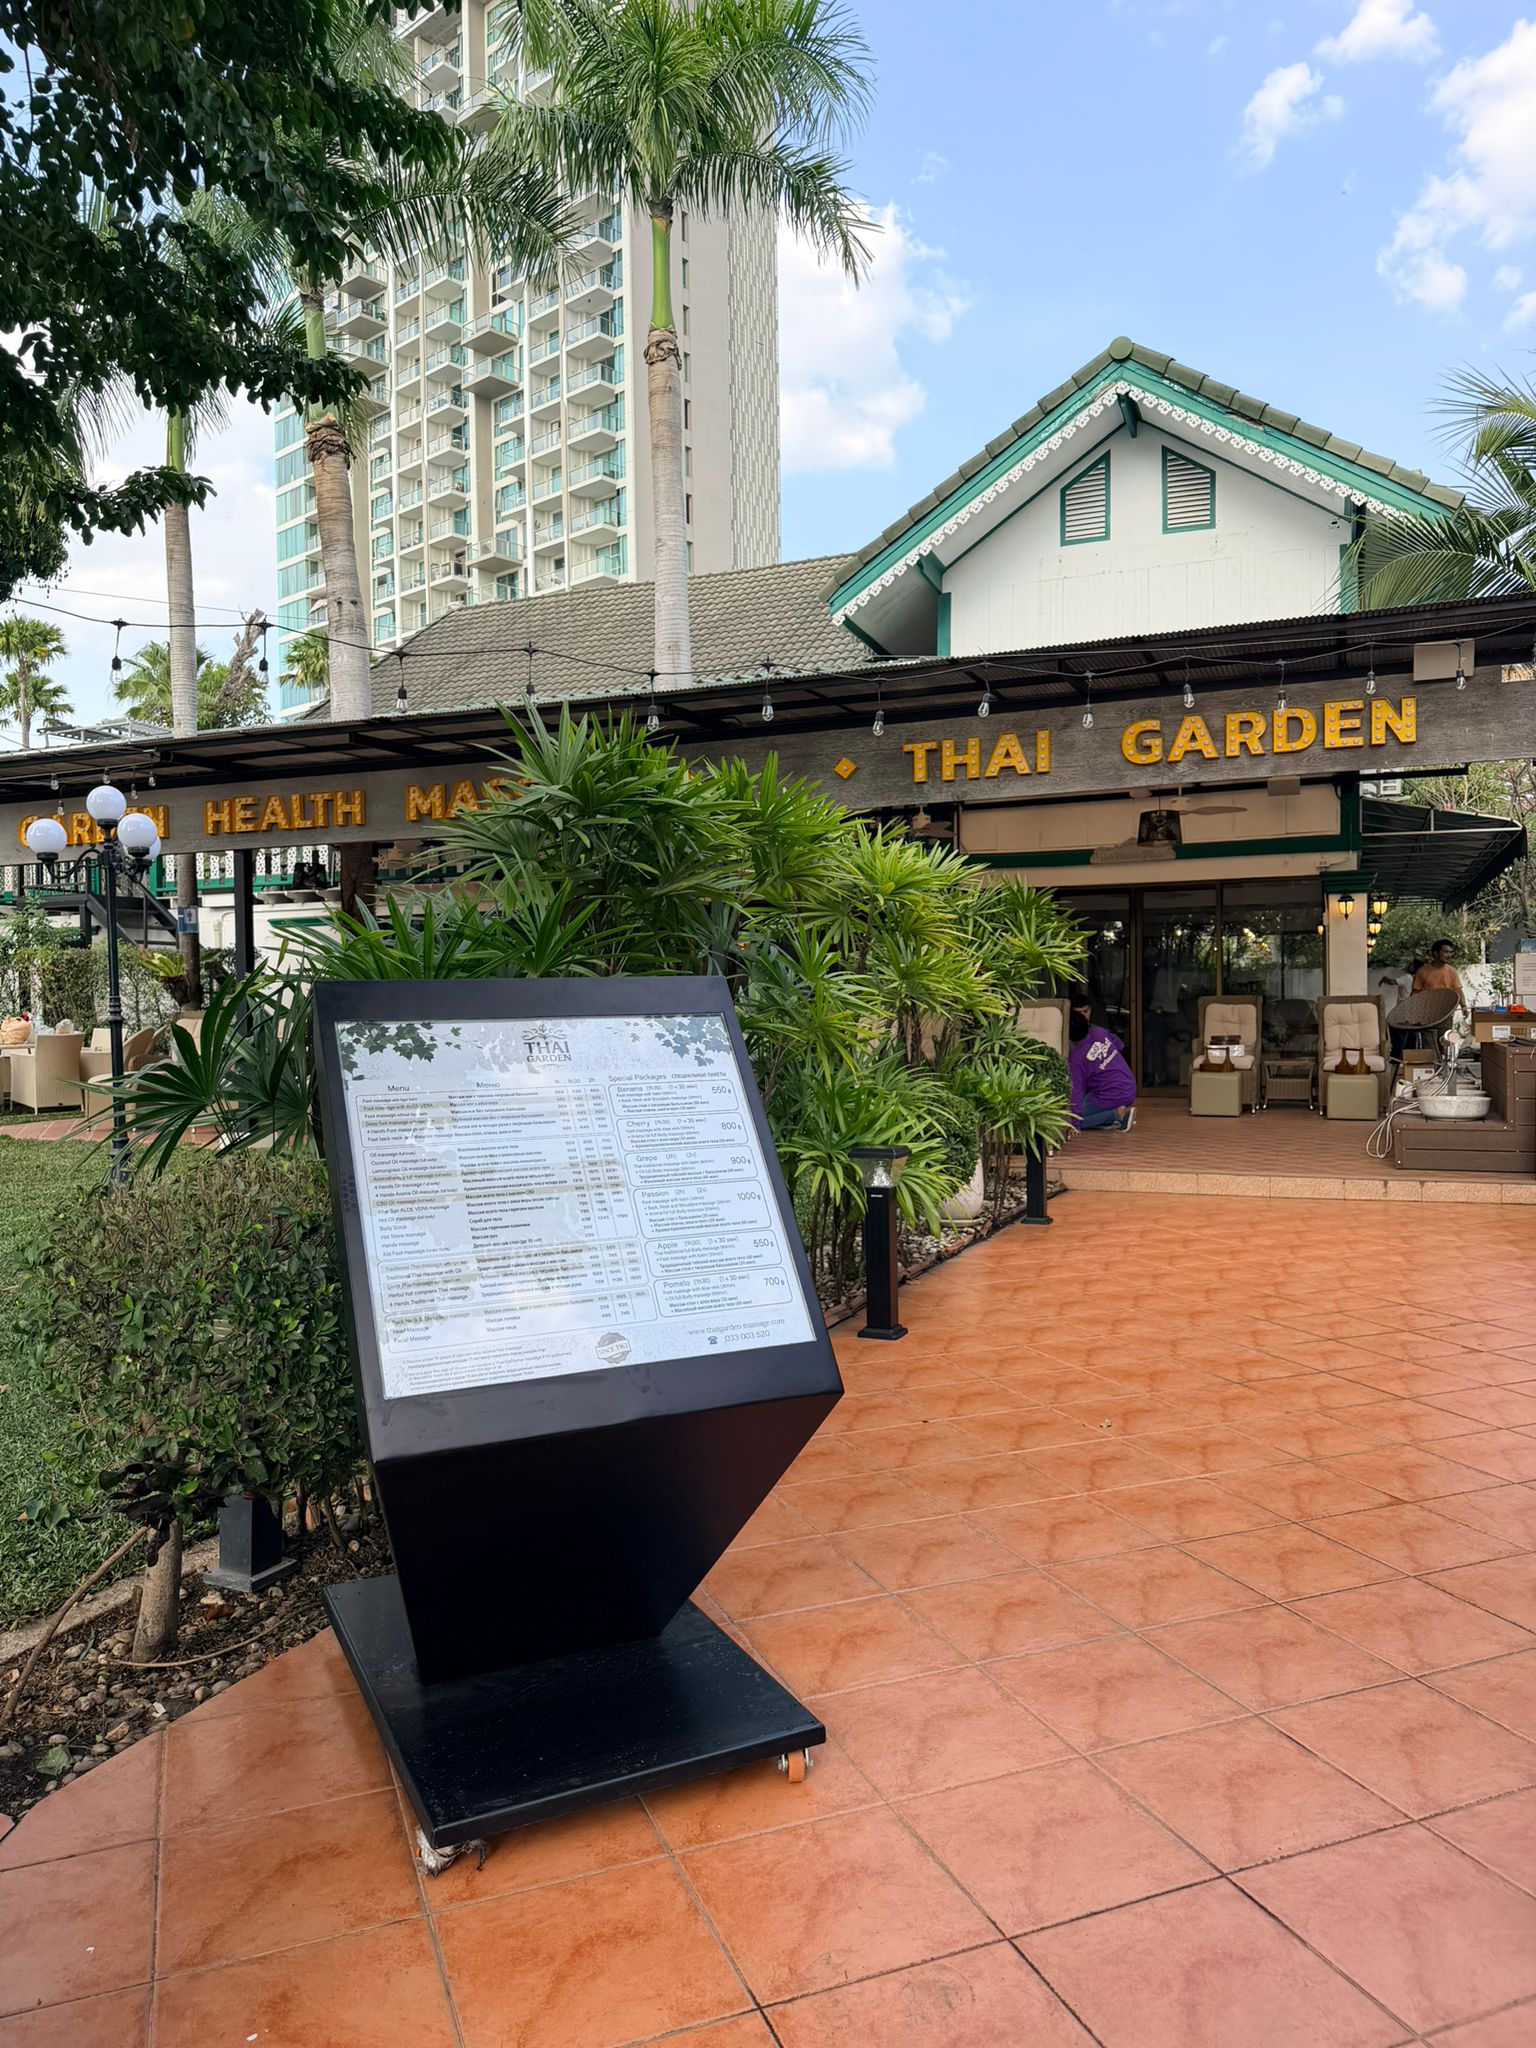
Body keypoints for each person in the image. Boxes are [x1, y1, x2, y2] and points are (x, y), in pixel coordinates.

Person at [1067, 1001, 1137, 1133]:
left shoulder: (1076, 1059)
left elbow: (1076, 1092)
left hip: (1109, 1095)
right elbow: (1119, 1044)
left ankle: (1116, 1115)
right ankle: (1112, 1115)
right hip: (1129, 1087)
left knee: (1068, 1119)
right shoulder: (1100, 1032)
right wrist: (1105, 1061)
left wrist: (1075, 1124)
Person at [1413, 940, 1466, 1010]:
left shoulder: (1452, 971)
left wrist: (1463, 1006)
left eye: (1450, 952)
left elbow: (1458, 990)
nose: (1449, 955)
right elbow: (1415, 993)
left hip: (1447, 1010)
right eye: (1446, 952)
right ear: (1436, 953)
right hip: (1427, 1011)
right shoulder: (1422, 971)